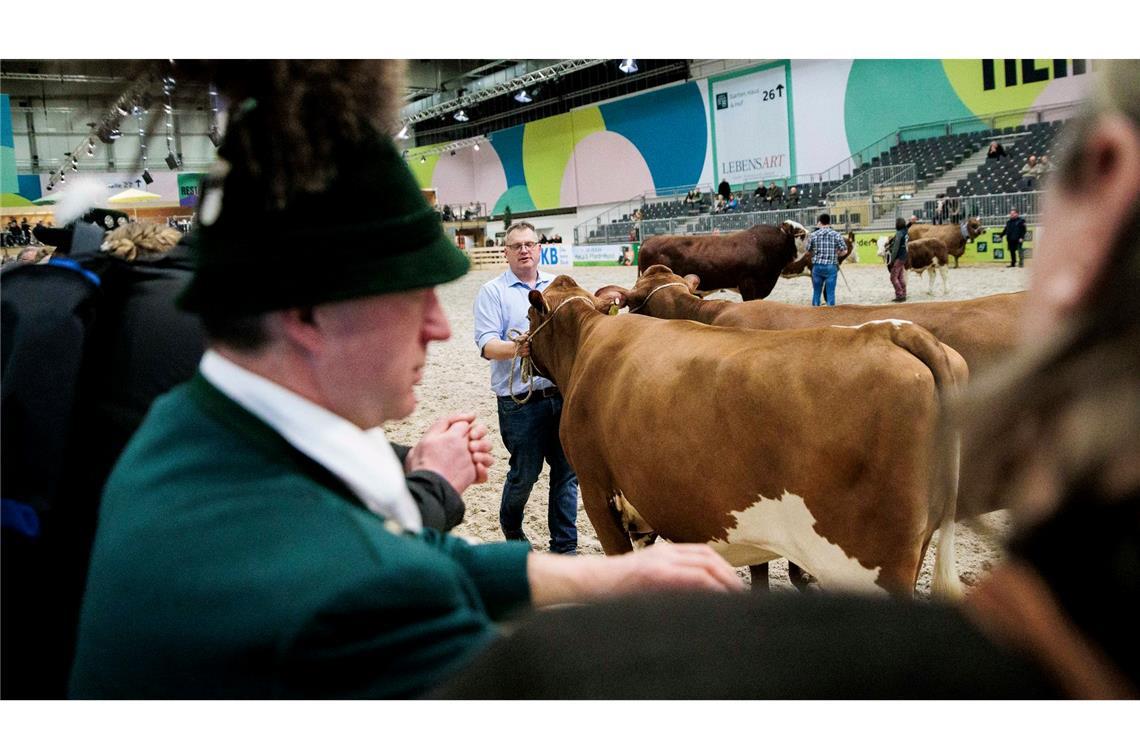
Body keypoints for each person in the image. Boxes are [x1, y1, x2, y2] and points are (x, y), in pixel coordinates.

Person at [439, 60, 1140, 699]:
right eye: (521, 244)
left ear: (1109, 176)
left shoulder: (567, 670)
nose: (526, 251)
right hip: (524, 410)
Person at [66, 62, 741, 700]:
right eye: (408, 296)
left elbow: (420, 557)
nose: (436, 328)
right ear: (305, 311)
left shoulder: (188, 425)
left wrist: (610, 575)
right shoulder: (341, 588)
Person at [474, 220, 580, 554]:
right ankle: (511, 523)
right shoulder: (493, 292)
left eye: (529, 244)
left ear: (539, 249)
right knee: (525, 473)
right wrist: (520, 348)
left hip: (561, 394)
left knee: (566, 473)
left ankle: (565, 548)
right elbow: (487, 345)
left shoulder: (558, 287)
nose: (524, 250)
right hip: (520, 399)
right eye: (516, 245)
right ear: (506, 252)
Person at [806, 212, 846, 306]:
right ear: (829, 222)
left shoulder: (813, 235)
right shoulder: (836, 234)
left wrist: (815, 252)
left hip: (817, 266)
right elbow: (844, 251)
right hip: (831, 266)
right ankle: (830, 313)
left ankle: (815, 311)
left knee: (816, 292)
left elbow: (808, 251)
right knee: (830, 293)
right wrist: (836, 253)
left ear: (820, 222)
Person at [886, 217, 908, 302]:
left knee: (893, 277)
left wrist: (892, 260)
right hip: (904, 256)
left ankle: (900, 295)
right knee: (900, 276)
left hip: (899, 257)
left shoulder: (899, 233)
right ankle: (904, 293)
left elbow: (895, 248)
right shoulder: (905, 231)